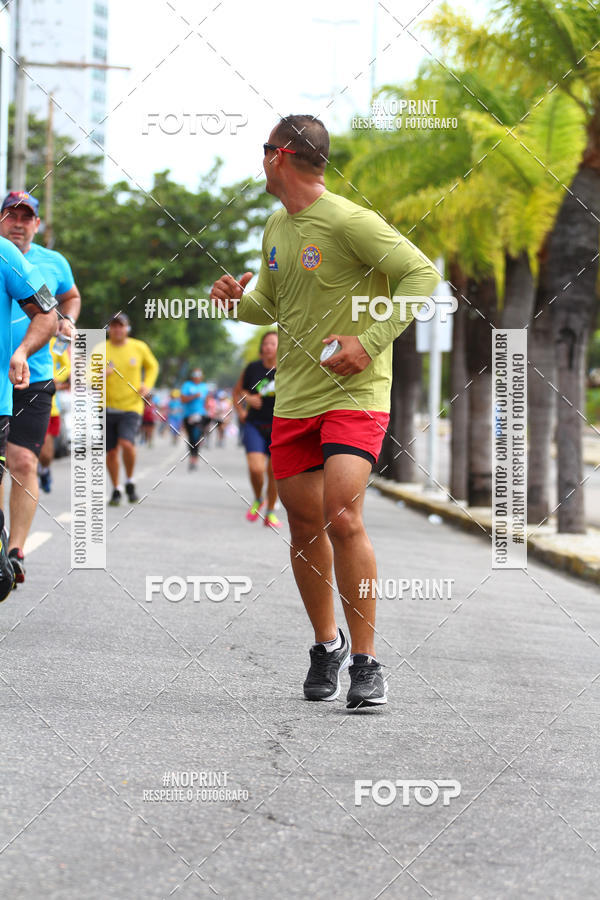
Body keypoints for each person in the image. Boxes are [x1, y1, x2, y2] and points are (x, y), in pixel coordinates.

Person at [211, 115, 440, 709]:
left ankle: (366, 661)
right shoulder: (274, 226)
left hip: (355, 392)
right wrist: (238, 303)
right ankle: (326, 644)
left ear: (278, 155)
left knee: (343, 514)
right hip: (297, 396)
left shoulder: (346, 219)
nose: (259, 160)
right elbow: (269, 303)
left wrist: (370, 340)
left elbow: (422, 274)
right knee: (305, 524)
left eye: (264, 150)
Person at [0, 190, 80, 585]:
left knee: (23, 462)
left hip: (35, 372)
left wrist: (66, 320)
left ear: (36, 224)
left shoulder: (50, 263)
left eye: (25, 217)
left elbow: (60, 302)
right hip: (1, 374)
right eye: (11, 215)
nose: (18, 222)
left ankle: (15, 550)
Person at [0, 231, 58, 599]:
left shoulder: (5, 255)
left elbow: (48, 312)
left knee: (23, 462)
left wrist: (21, 352)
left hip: (22, 384)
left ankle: (12, 550)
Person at [104, 312, 159, 506]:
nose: (118, 329)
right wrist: (100, 374)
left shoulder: (139, 347)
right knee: (111, 452)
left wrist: (148, 384)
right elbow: (87, 375)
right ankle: (117, 488)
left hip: (132, 405)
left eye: (121, 326)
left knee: (127, 444)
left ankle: (129, 480)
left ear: (127, 328)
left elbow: (153, 366)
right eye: (114, 326)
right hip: (107, 406)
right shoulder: (100, 349)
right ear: (109, 329)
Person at [233, 331, 280, 529]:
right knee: (256, 468)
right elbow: (237, 393)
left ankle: (270, 512)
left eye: (273, 343)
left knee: (274, 473)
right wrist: (244, 406)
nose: (268, 347)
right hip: (254, 424)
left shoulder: (287, 370)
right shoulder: (253, 368)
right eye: (266, 343)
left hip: (279, 426)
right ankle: (258, 498)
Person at [38, 335, 71, 493]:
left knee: (46, 452)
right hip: (23, 402)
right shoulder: (23, 335)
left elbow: (66, 367)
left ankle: (44, 470)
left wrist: (54, 379)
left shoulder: (56, 343)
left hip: (50, 407)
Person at [180, 368, 210, 471]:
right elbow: (183, 399)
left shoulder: (204, 387)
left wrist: (208, 411)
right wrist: (194, 396)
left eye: (199, 375)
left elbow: (206, 401)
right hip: (188, 416)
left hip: (200, 416)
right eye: (195, 375)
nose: (197, 377)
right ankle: (192, 457)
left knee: (197, 436)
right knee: (191, 438)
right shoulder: (187, 385)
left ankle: (194, 459)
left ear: (201, 377)